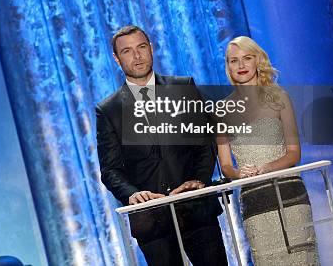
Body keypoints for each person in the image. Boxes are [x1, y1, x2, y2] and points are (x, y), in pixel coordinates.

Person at [96, 25, 227, 266]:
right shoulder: (109, 110)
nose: (137, 56)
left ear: (151, 49)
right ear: (116, 59)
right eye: (127, 51)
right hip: (152, 220)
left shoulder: (183, 88)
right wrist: (133, 194)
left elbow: (204, 143)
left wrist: (198, 181)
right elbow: (110, 170)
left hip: (196, 208)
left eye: (141, 47)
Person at [217, 36, 319, 265]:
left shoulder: (279, 97)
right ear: (228, 66)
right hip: (255, 200)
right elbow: (225, 166)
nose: (241, 66)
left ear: (257, 61)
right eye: (234, 60)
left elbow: (294, 153)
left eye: (247, 58)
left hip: (290, 192)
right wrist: (238, 173)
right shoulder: (221, 110)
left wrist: (267, 168)